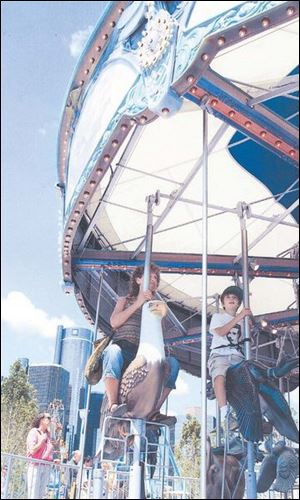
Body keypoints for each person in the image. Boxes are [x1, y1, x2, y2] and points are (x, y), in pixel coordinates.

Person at [102, 263, 180, 425]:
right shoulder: (124, 300)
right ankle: (113, 404)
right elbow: (115, 322)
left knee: (173, 364)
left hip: (145, 350)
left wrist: (156, 311)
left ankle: (154, 409)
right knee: (112, 352)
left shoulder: (157, 306)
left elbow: (161, 333)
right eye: (149, 276)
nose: (153, 280)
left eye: (156, 278)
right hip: (125, 349)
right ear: (138, 280)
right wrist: (139, 303)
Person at [208, 285, 253, 432]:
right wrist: (240, 317)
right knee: (219, 378)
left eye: (235, 297)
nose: (232, 299)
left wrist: (249, 324)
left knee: (251, 383)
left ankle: (256, 414)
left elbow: (248, 339)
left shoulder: (243, 321)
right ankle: (225, 414)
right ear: (223, 303)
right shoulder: (218, 317)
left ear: (239, 303)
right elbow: (220, 332)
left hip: (238, 356)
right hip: (220, 354)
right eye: (228, 297)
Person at [26, 412, 54, 499]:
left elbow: (48, 452)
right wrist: (41, 441)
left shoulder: (49, 436)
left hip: (46, 467)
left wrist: (53, 460)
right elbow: (32, 450)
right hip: (35, 466)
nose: (50, 420)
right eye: (48, 418)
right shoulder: (34, 432)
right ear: (41, 420)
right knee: (33, 494)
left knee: (41, 495)